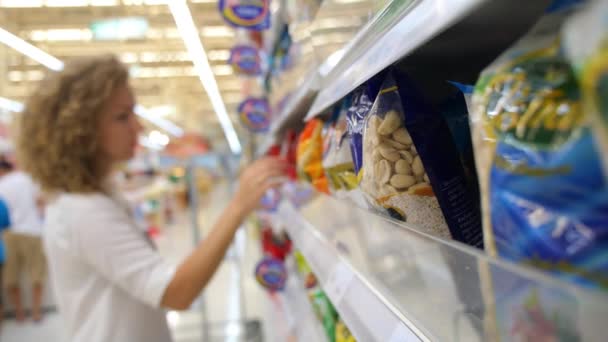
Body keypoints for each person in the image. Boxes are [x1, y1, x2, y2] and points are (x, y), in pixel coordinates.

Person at [16, 55, 286, 341]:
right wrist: (239, 206)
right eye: (122, 117)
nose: (138, 128)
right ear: (80, 131)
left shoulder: (92, 198)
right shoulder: (85, 211)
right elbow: (175, 293)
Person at [0, 160, 45, 322]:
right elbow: (41, 200)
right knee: (37, 275)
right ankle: (36, 313)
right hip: (33, 230)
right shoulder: (27, 178)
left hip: (9, 233)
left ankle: (19, 314)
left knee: (11, 277)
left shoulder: (1, 184)